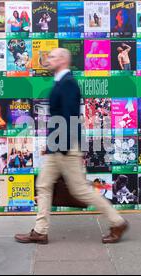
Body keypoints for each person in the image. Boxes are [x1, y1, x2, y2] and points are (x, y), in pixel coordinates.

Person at [15, 48, 128, 245]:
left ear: (62, 60)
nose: (47, 59)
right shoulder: (61, 81)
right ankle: (40, 231)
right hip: (58, 146)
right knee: (43, 185)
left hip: (65, 147)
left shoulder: (68, 84)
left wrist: (61, 147)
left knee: (80, 191)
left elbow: (69, 118)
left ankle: (117, 221)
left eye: (51, 56)